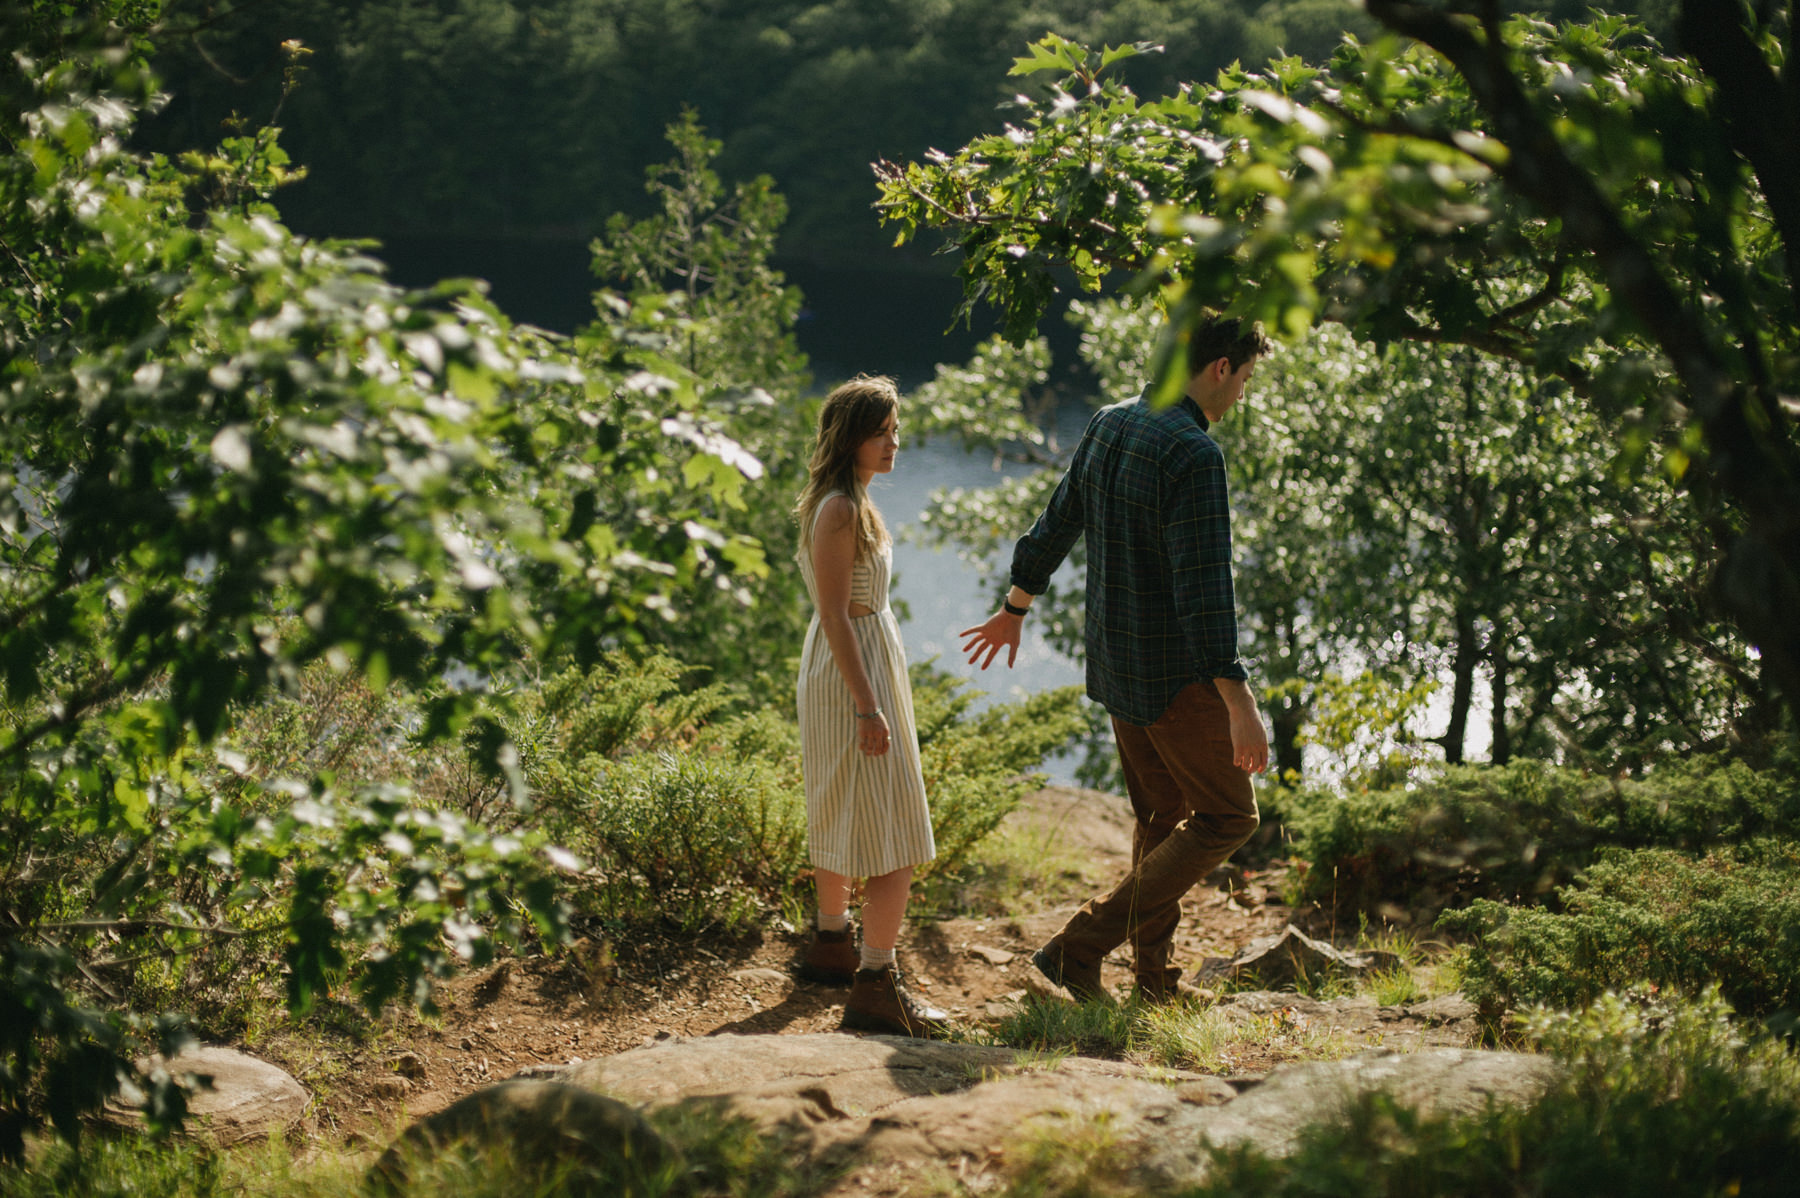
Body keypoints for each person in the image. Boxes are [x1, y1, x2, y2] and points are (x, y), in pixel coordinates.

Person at [960, 314, 1274, 1005]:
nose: (1243, 393)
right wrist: (1239, 699)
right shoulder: (1195, 453)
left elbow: (1057, 518)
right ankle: (1081, 945)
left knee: (1160, 819)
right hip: (1176, 679)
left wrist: (1015, 605)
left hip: (1117, 665)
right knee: (1229, 818)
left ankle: (1155, 983)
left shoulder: (1109, 421)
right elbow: (1204, 591)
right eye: (1246, 378)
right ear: (1221, 367)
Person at [793, 375, 948, 1037]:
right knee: (897, 833)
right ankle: (876, 981)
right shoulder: (840, 509)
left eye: (894, 431)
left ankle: (833, 943)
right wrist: (868, 707)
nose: (894, 443)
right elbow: (834, 614)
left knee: (841, 802)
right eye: (882, 431)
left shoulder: (852, 501)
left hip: (855, 662)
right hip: (851, 669)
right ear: (850, 435)